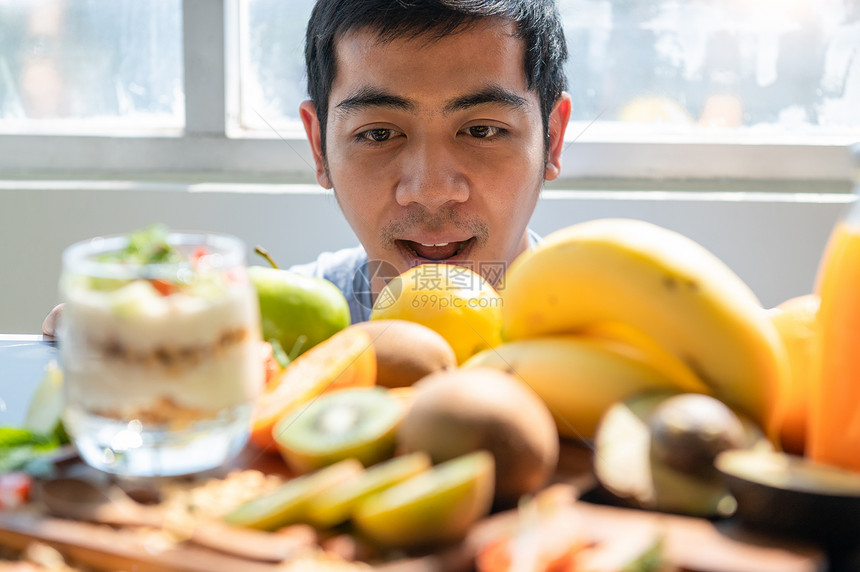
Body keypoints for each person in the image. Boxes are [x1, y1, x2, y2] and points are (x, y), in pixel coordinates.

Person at [42, 0, 571, 334]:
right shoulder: (259, 334)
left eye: (482, 131)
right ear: (319, 147)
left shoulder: (614, 334)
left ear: (552, 138)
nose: (430, 191)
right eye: (379, 134)